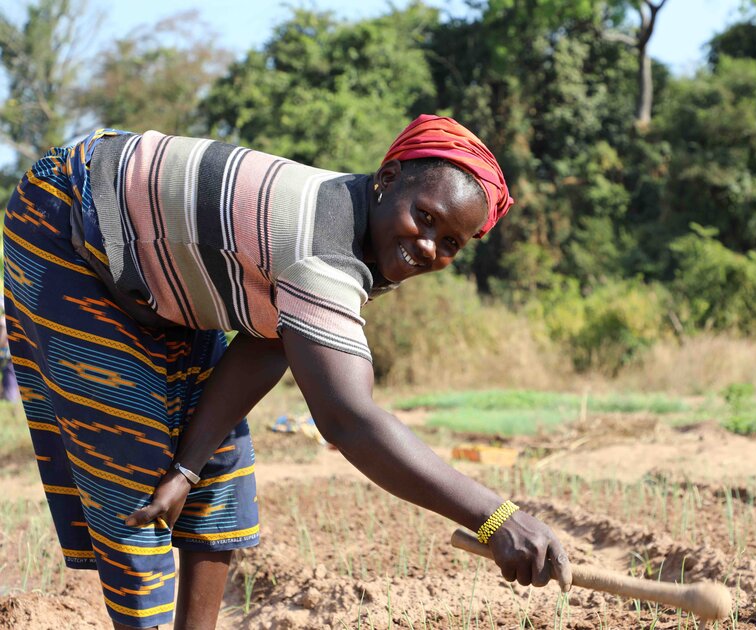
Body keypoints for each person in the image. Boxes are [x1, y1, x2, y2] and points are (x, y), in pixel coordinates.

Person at [4, 116, 571, 630]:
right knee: (131, 474)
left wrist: (186, 465)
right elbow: (350, 421)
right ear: (388, 177)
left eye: (450, 242)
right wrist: (497, 518)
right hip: (72, 219)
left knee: (215, 472)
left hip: (164, 274)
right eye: (425, 217)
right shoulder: (321, 246)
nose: (428, 247)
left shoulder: (365, 240)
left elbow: (272, 337)